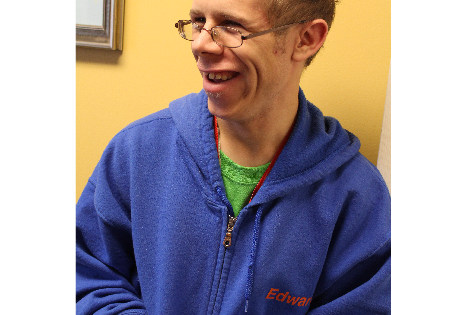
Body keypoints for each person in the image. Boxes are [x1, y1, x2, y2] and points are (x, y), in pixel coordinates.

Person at [75, 0, 391, 314]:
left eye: (231, 26)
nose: (200, 44)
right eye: (198, 21)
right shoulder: (137, 152)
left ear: (305, 39)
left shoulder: (358, 197)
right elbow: (88, 275)